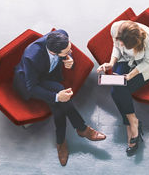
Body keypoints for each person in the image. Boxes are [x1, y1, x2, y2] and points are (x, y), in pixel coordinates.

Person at [13, 29, 106, 166]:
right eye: (66, 52)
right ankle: (79, 130)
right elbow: (31, 88)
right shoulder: (31, 57)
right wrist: (57, 97)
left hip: (50, 75)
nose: (70, 51)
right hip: (32, 81)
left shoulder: (62, 35)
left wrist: (70, 60)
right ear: (53, 52)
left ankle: (63, 141)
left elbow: (68, 54)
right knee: (59, 98)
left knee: (59, 105)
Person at [97, 20, 149, 155]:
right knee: (117, 90)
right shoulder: (116, 28)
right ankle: (132, 121)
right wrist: (111, 63)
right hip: (126, 60)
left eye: (124, 43)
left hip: (147, 66)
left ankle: (131, 123)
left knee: (119, 89)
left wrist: (131, 74)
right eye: (120, 40)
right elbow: (116, 47)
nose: (121, 44)